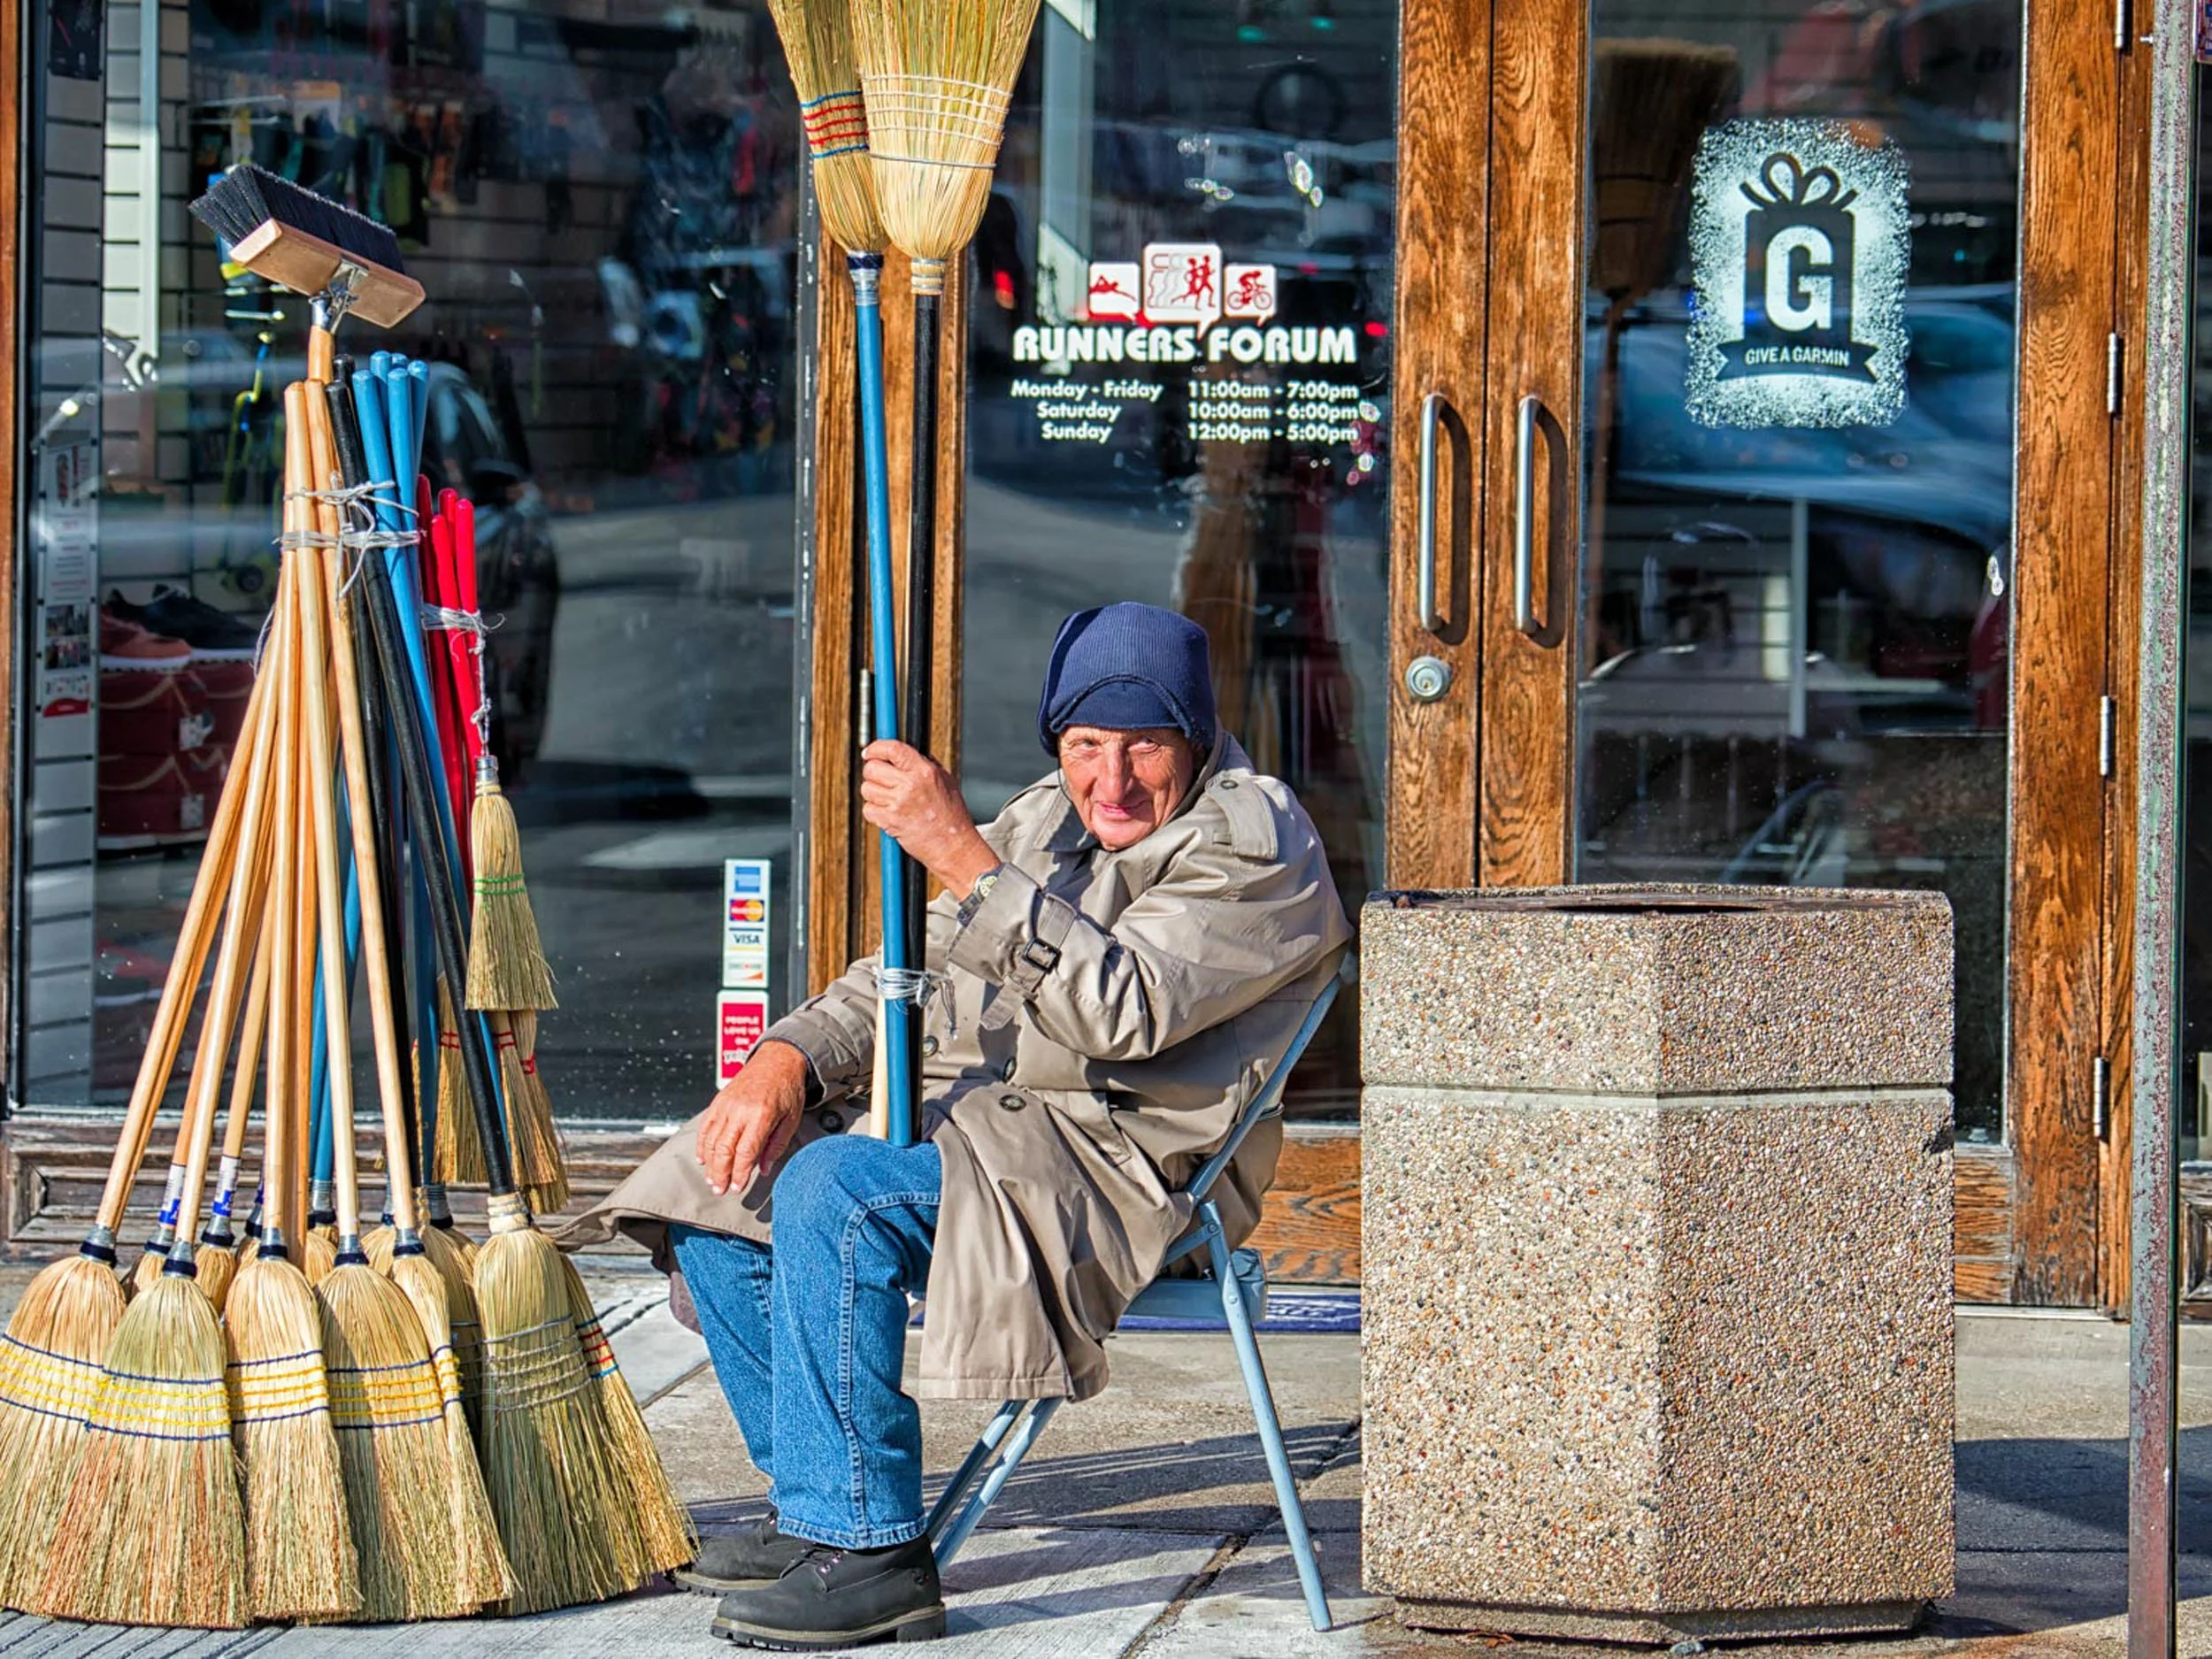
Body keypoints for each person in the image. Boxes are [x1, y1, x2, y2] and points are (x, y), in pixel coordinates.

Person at [566, 602, 1351, 1651]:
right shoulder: (1044, 817)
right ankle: (813, 1500)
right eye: (1084, 747)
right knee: (717, 1178)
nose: (1110, 782)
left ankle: (871, 1547)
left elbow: (1121, 1011)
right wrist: (785, 1061)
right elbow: (904, 971)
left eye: (1144, 748)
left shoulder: (1256, 841)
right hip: (984, 1138)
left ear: (1196, 744)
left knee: (833, 1191)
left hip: (1115, 1176)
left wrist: (958, 852)